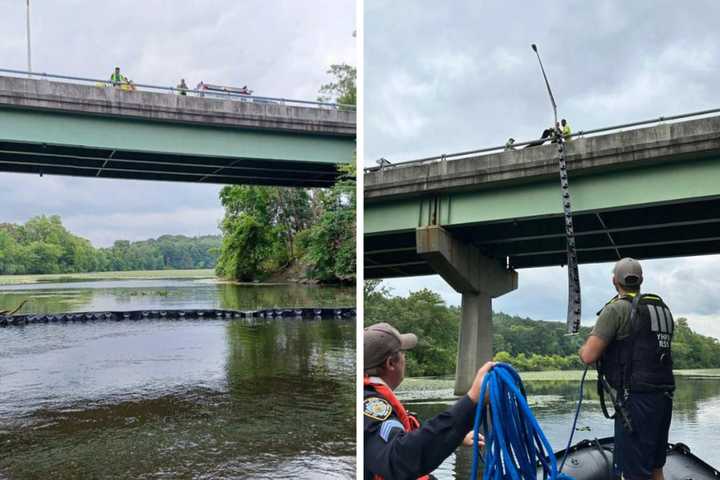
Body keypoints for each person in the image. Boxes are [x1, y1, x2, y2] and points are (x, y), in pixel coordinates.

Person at [579, 258, 675, 480]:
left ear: (615, 281)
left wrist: (585, 346)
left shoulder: (615, 309)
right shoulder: (662, 310)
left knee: (634, 472)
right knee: (655, 466)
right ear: (641, 280)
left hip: (634, 402)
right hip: (664, 397)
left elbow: (588, 355)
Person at [364, 322, 491, 480]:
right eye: (403, 353)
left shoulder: (370, 397)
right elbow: (399, 459)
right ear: (391, 363)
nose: (405, 359)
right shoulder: (369, 404)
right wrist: (472, 401)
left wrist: (454, 437)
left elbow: (401, 441)